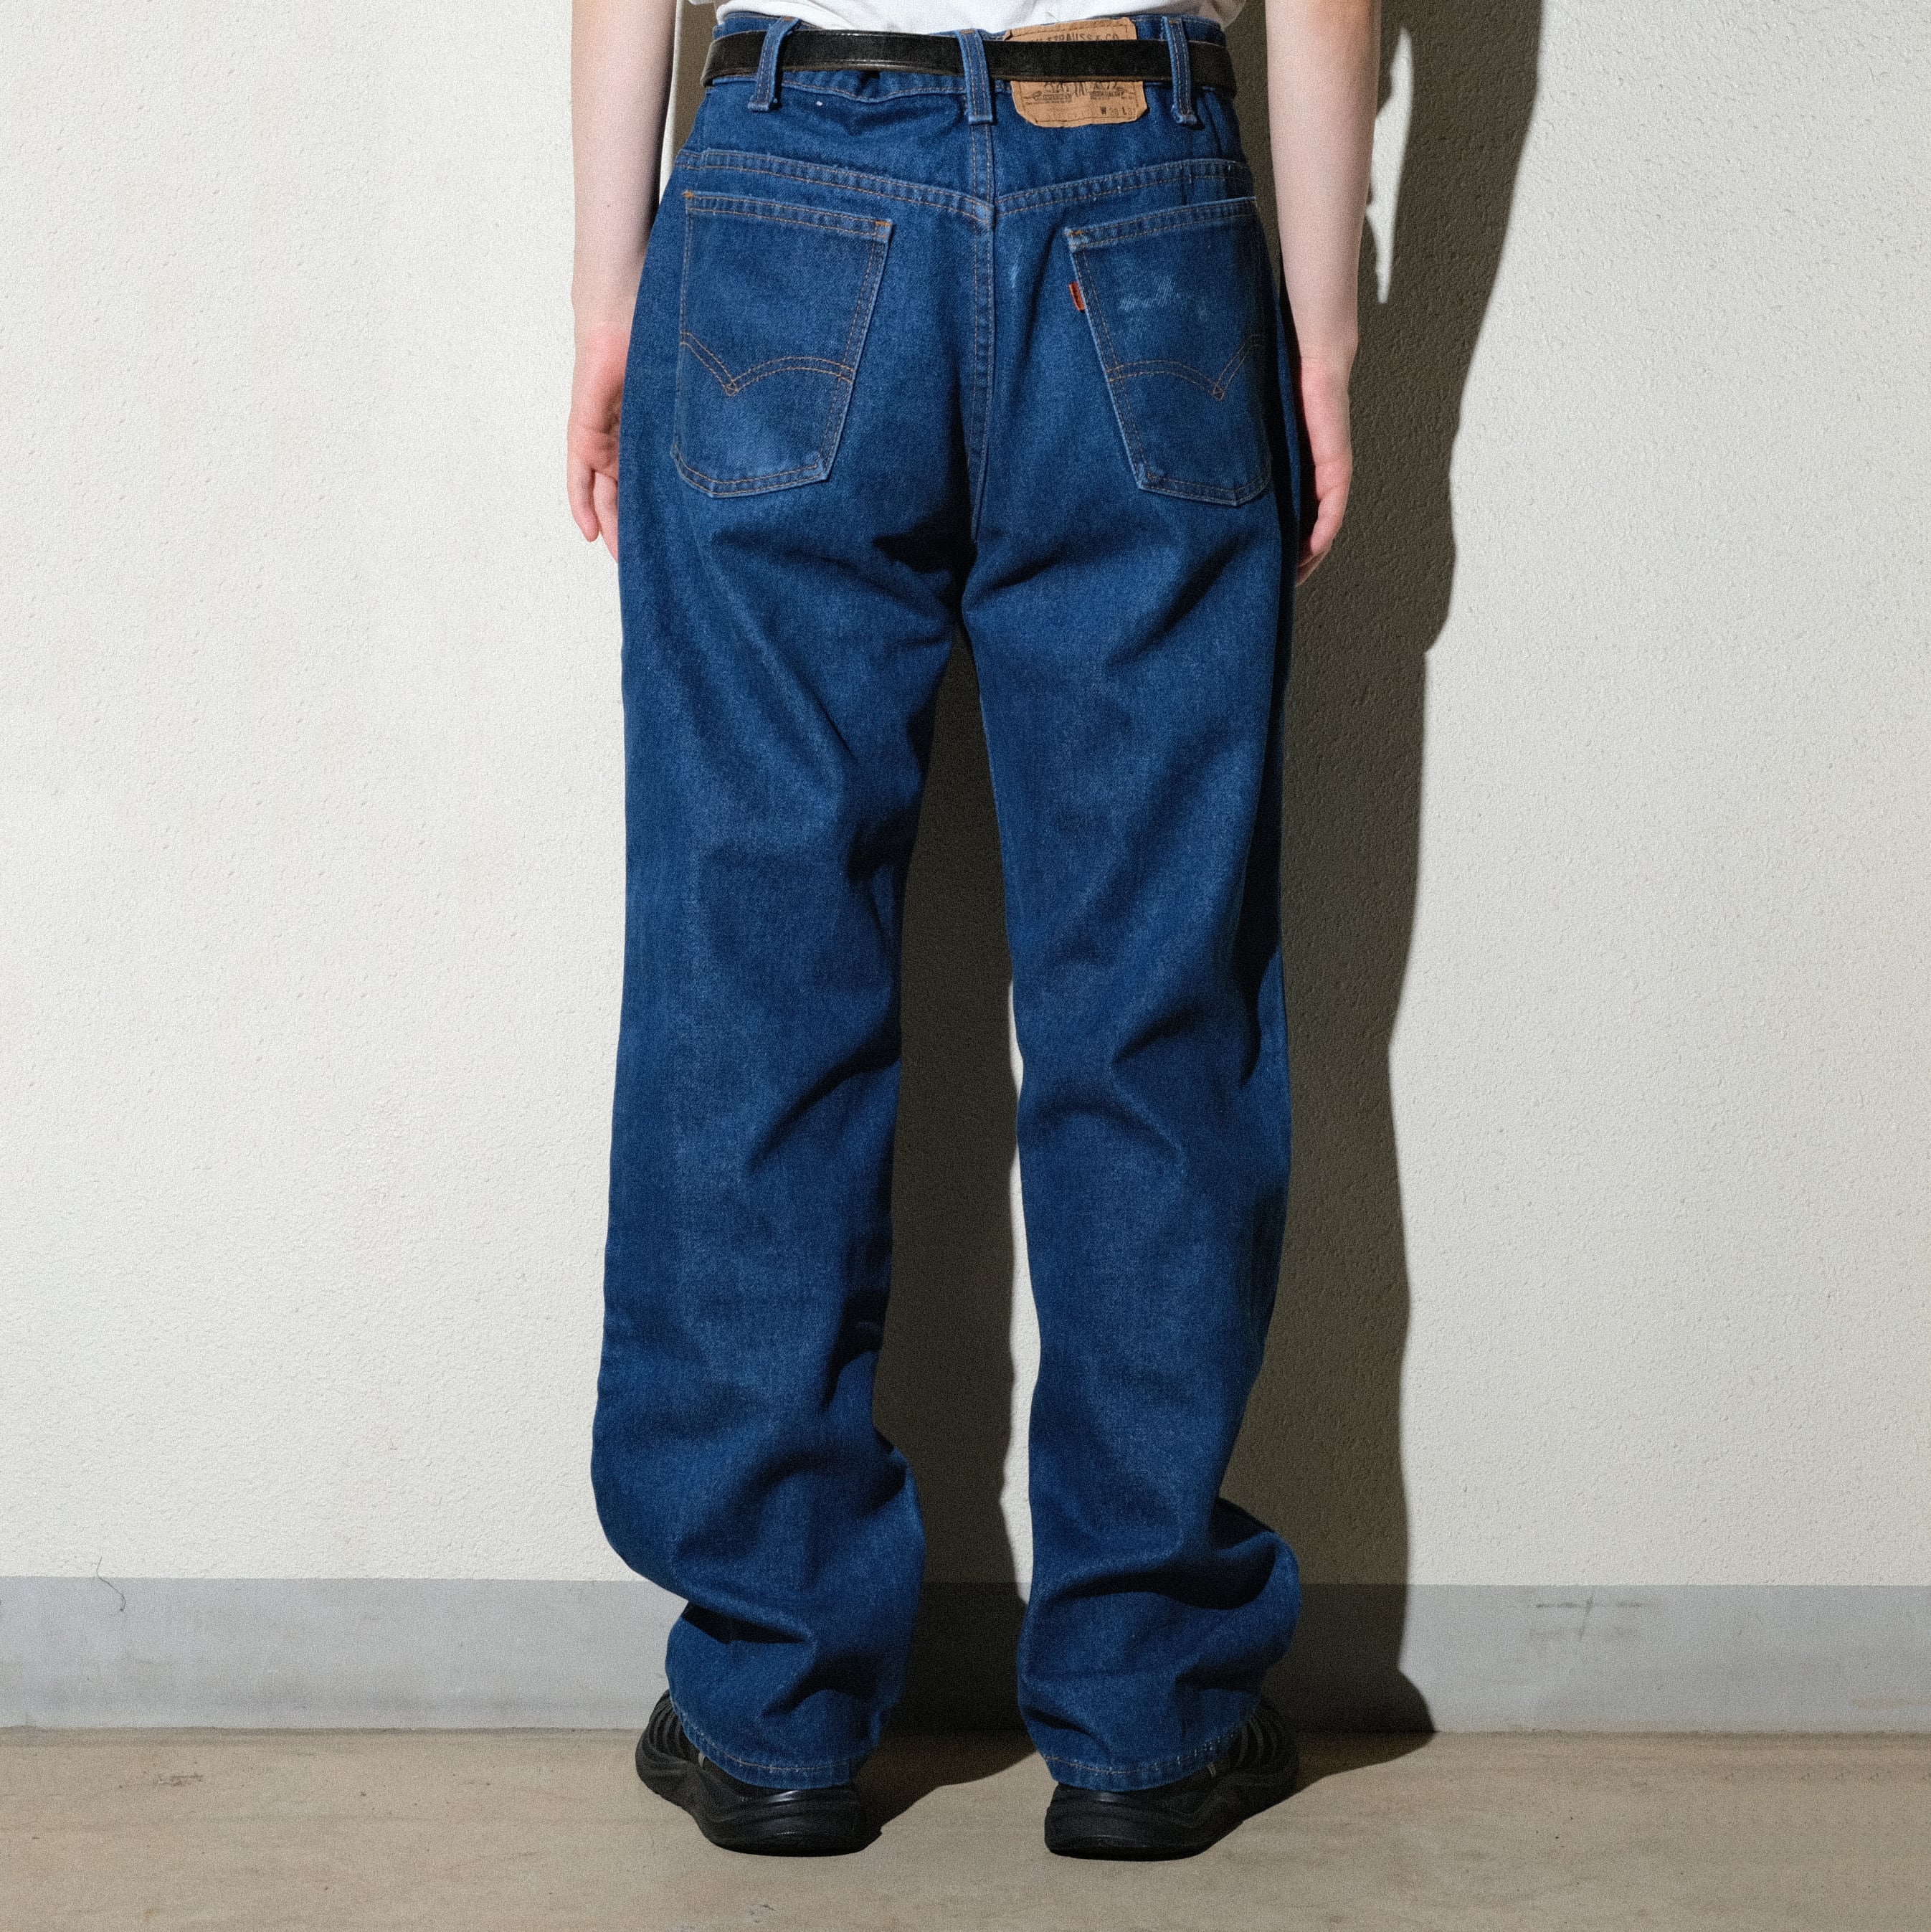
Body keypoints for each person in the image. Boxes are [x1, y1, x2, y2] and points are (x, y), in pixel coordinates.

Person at [568, 0, 1376, 1860]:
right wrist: (1321, 333)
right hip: (1143, 210)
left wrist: (610, 296)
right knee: (1151, 989)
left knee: (751, 977)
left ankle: (772, 1708)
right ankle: (1148, 1710)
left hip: (785, 199)